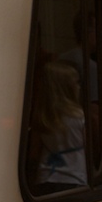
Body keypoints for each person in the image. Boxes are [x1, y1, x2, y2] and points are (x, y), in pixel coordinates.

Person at [32, 60, 87, 190]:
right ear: (68, 88)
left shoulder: (42, 116)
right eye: (77, 83)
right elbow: (89, 148)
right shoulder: (80, 116)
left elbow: (34, 153)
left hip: (46, 177)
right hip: (75, 178)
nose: (79, 87)